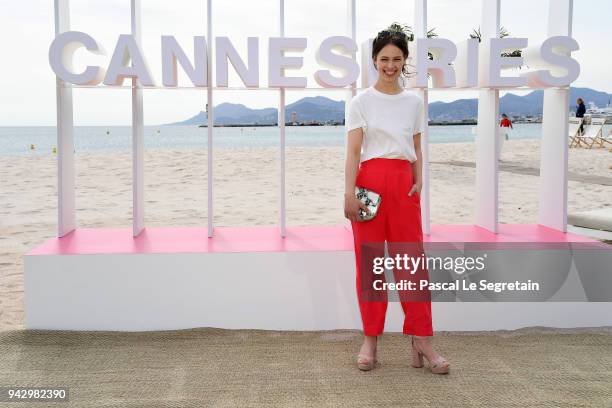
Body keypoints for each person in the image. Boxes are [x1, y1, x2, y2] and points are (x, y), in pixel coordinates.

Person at [343, 28, 450, 374]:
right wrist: (348, 193)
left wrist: (419, 178)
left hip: (404, 186)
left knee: (412, 265)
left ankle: (422, 338)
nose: (390, 65)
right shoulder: (360, 102)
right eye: (384, 58)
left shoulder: (414, 102)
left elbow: (416, 147)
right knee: (371, 265)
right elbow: (353, 151)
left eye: (397, 59)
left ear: (404, 62)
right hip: (369, 184)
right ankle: (371, 338)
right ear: (374, 60)